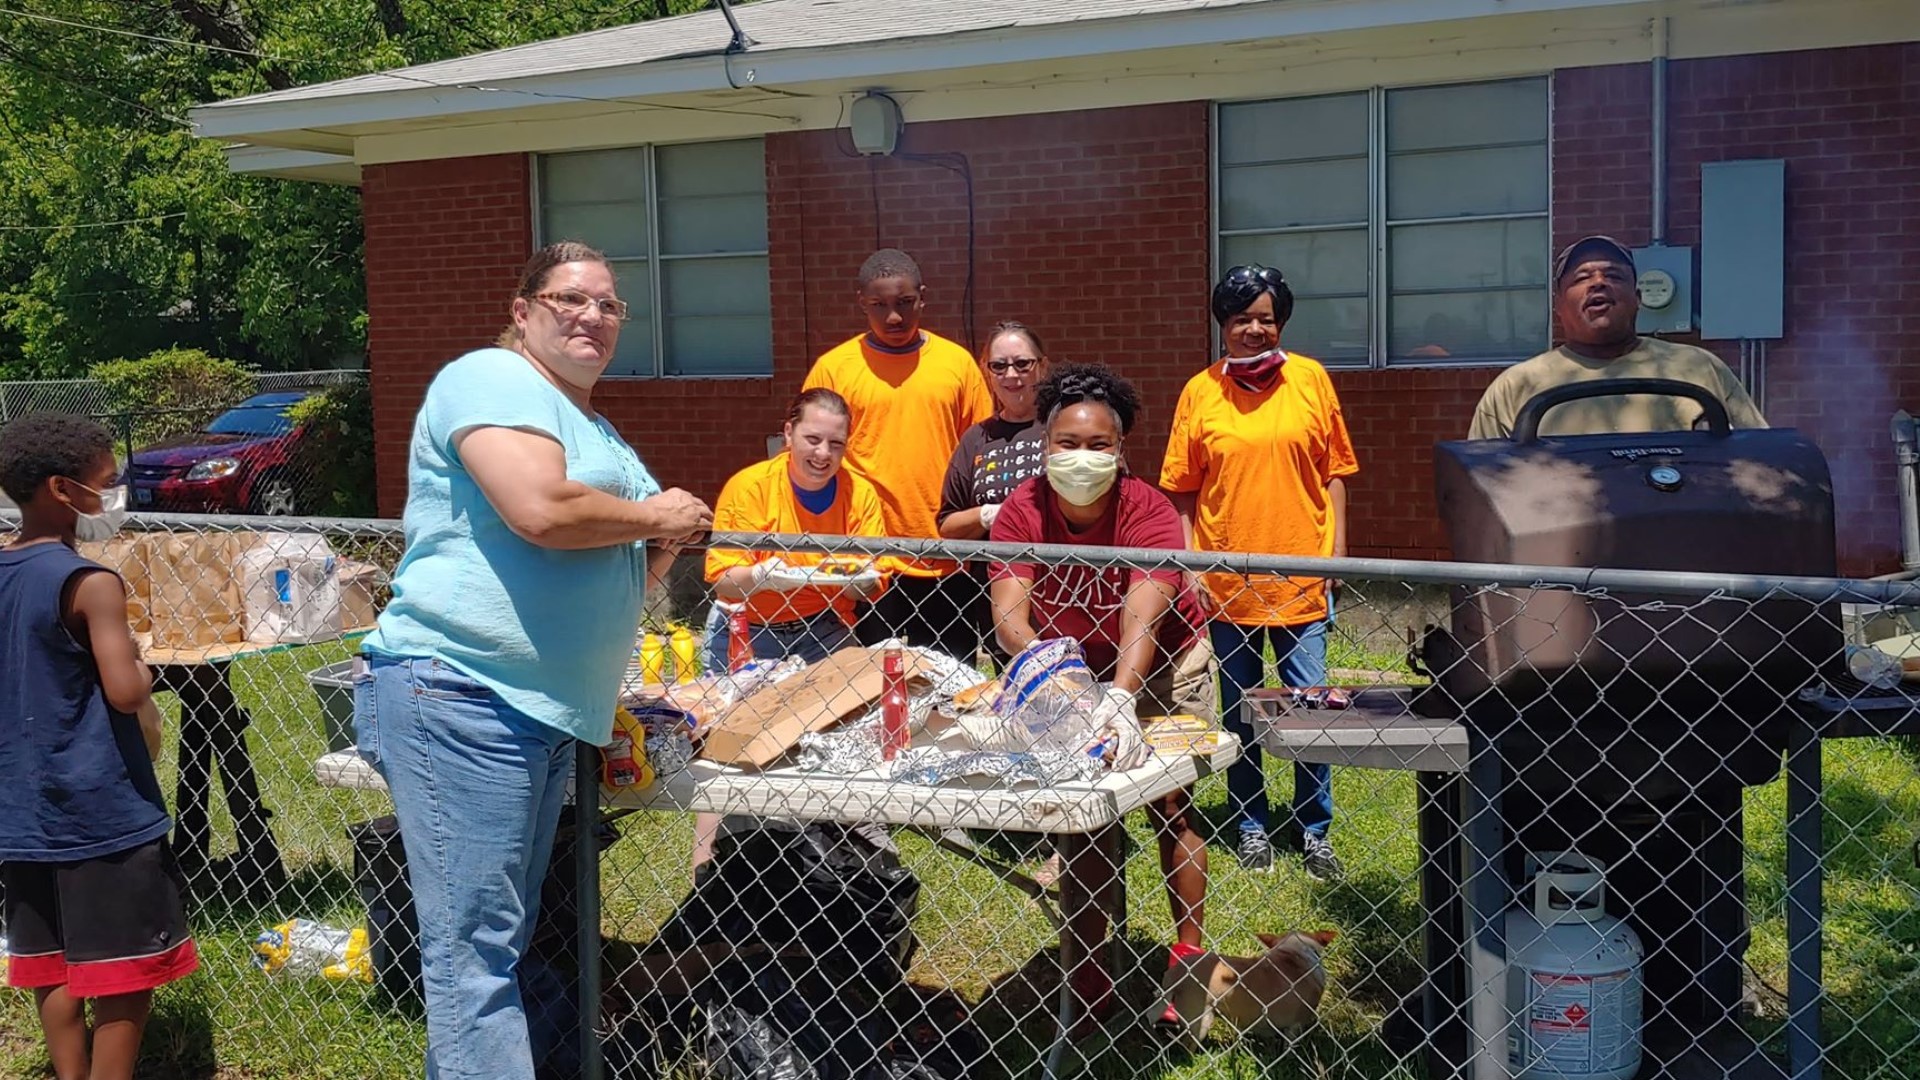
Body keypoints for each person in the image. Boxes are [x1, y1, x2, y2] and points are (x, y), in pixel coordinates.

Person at [356, 241, 712, 1079]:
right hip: (465, 694)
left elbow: (624, 563)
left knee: (495, 945)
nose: (593, 316)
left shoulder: (593, 423)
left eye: (610, 305)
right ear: (522, 311)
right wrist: (654, 509)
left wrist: (657, 541)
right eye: (570, 299)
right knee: (472, 955)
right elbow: (540, 511)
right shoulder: (488, 378)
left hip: (546, 712)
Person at [987, 364, 1214, 1023]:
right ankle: (1088, 975)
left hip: (1165, 665)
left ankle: (1186, 965)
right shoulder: (1023, 509)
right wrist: (1050, 674)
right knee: (1085, 813)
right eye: (1066, 442)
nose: (1080, 457)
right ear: (1044, 444)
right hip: (1067, 666)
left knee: (1171, 805)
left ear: (1120, 450)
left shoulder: (1148, 510)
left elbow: (1144, 611)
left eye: (1097, 445)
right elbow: (1009, 613)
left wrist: (1120, 697)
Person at [1, 412, 198, 1080]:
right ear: (63, 489)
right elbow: (122, 690)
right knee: (123, 975)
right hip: (101, 812)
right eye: (106, 483)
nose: (112, 497)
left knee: (48, 967)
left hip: (20, 812)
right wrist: (139, 664)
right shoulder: (90, 583)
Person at [1160, 264, 1358, 879]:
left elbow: (1335, 473)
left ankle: (1314, 828)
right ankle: (1251, 824)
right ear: (1223, 325)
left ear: (1282, 323)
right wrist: (1192, 564)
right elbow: (1183, 490)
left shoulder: (1312, 380)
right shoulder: (1200, 392)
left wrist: (1336, 556)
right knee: (1242, 707)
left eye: (1265, 319)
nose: (1253, 330)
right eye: (1241, 319)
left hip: (1300, 574)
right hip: (1226, 580)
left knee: (1309, 707)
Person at [802, 248, 995, 661]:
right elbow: (810, 453)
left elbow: (983, 454)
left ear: (922, 297)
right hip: (868, 559)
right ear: (861, 303)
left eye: (905, 303)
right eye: (880, 305)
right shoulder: (834, 368)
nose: (894, 317)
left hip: (946, 557)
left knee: (946, 681)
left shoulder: (956, 365)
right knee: (868, 683)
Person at [1469, 235, 1767, 438]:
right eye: (1582, 278)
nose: (1598, 284)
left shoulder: (1700, 368)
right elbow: (1482, 491)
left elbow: (1759, 459)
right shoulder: (1516, 386)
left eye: (1614, 276)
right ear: (1558, 305)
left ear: (1637, 298)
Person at [703, 388, 889, 666]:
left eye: (836, 443)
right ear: (789, 433)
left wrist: (856, 581)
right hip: (745, 628)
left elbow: (872, 587)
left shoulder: (860, 494)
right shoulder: (750, 488)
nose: (823, 453)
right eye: (812, 439)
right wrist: (761, 577)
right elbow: (723, 579)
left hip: (824, 626)